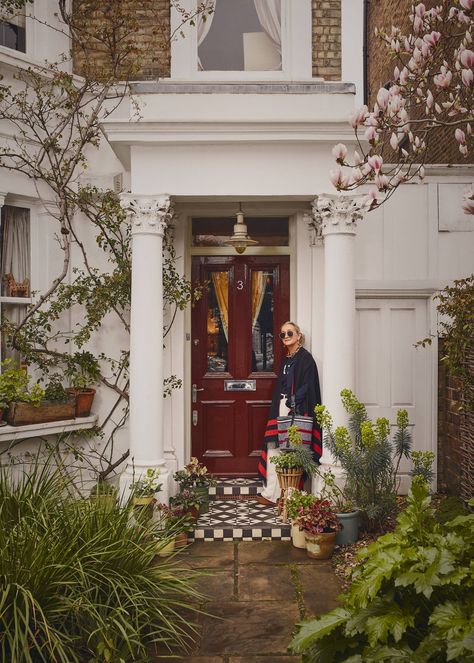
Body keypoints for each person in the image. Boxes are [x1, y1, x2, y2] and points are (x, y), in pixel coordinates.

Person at [257, 321, 322, 504]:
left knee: (292, 449)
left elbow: (308, 385)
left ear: (298, 335)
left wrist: (294, 401)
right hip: (281, 406)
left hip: (296, 408)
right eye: (282, 334)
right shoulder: (286, 359)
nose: (285, 336)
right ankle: (271, 493)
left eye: (289, 333)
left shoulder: (305, 359)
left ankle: (289, 495)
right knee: (274, 446)